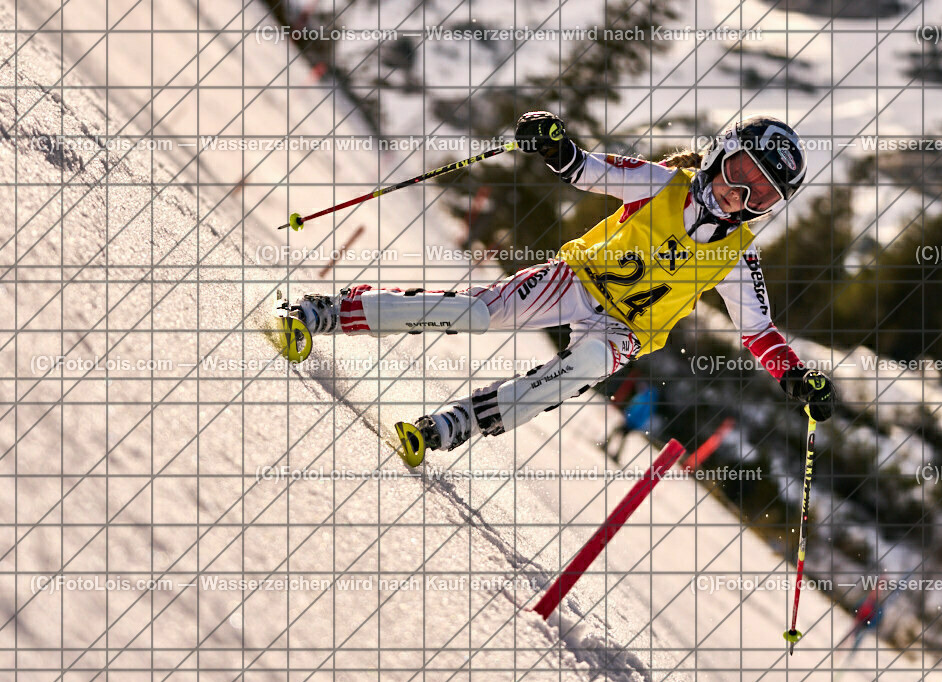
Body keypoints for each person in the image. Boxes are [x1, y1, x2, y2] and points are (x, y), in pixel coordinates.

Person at [275, 111, 836, 466]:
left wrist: (795, 375)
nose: (740, 194)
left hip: (628, 328)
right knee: (473, 315)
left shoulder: (739, 256)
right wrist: (554, 142)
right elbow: (586, 169)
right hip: (578, 279)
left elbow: (758, 330)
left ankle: (459, 422)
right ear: (720, 151)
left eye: (760, 195)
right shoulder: (663, 183)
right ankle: (329, 312)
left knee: (584, 367)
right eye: (740, 171)